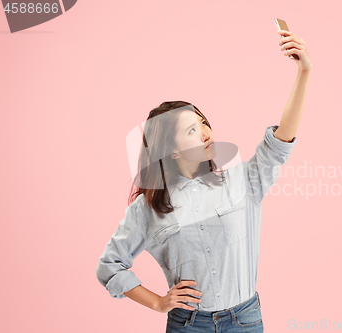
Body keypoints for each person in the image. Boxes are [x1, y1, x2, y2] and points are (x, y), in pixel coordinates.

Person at [96, 28, 311, 332]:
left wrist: (304, 71)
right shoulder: (148, 208)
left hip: (244, 321)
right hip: (188, 325)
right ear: (170, 150)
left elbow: (279, 142)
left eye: (203, 122)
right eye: (192, 130)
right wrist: (158, 302)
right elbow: (110, 265)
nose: (207, 132)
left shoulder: (242, 182)